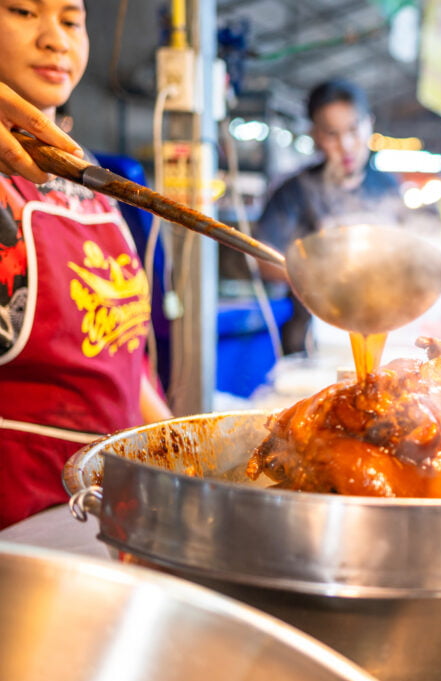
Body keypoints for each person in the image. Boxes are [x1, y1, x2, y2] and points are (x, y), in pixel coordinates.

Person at [0, 0, 172, 530]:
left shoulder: (91, 179)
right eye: (23, 12)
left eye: (71, 20)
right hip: (21, 514)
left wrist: (181, 453)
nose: (55, 39)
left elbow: (124, 354)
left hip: (112, 502)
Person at [255, 78, 403, 355]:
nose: (346, 144)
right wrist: (318, 273)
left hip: (383, 333)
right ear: (315, 135)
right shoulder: (295, 191)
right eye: (332, 134)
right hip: (311, 339)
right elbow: (263, 260)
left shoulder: (387, 186)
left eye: (353, 129)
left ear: (369, 123)